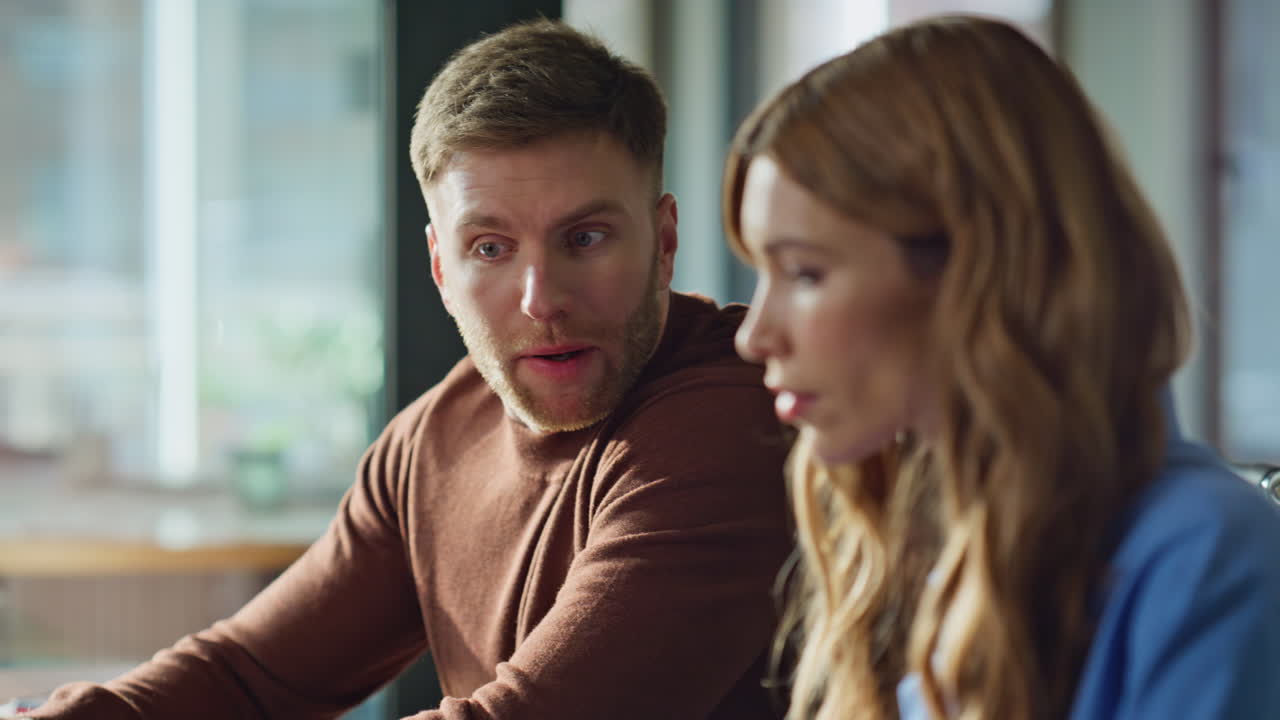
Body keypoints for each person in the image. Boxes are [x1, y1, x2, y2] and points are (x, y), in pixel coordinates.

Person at [23, 19, 791, 720]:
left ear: (663, 242)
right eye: (490, 248)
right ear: (440, 269)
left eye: (584, 238)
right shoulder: (436, 437)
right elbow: (250, 674)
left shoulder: (736, 422)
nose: (541, 299)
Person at [722, 15, 1280, 720]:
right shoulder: (925, 547)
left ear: (975, 271)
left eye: (805, 273)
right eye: (760, 272)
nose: (753, 336)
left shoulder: (1207, 558)